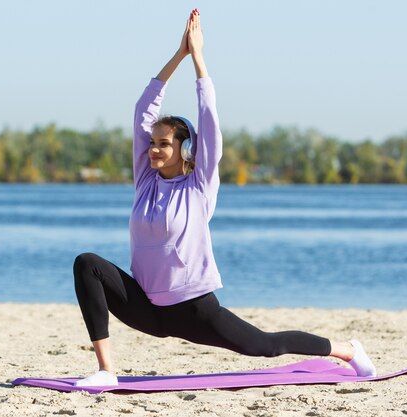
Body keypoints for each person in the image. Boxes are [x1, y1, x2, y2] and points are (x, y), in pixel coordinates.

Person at [73, 9, 377, 387]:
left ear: (185, 150)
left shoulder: (199, 185)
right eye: (152, 143)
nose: (153, 150)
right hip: (147, 309)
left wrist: (198, 59)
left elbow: (210, 120)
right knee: (87, 263)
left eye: (163, 144)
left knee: (266, 345)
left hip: (194, 309)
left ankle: (347, 349)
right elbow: (142, 111)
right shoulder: (145, 183)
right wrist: (177, 55)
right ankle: (105, 370)